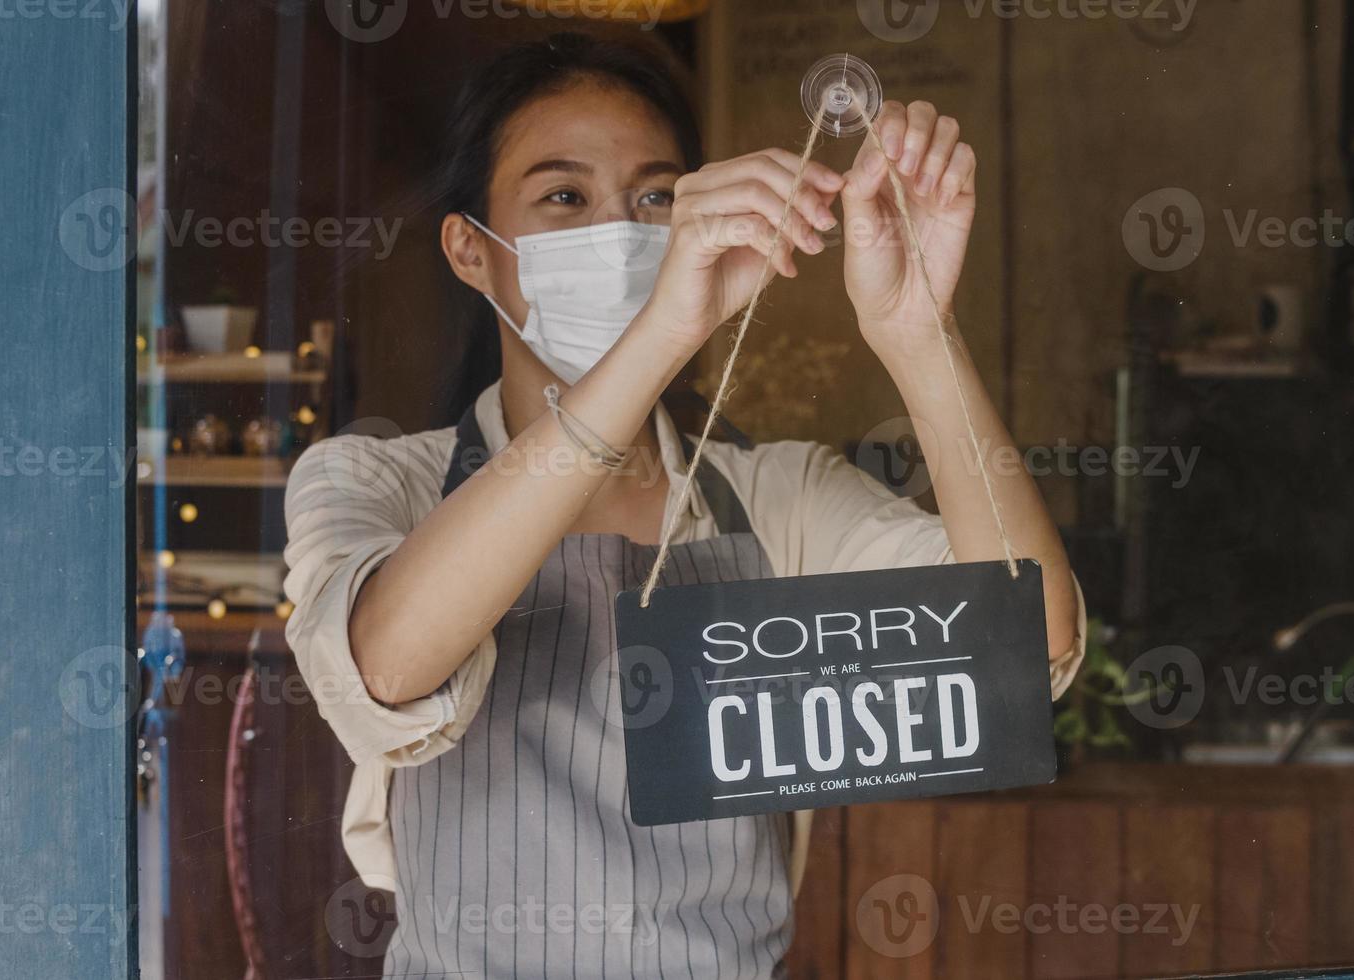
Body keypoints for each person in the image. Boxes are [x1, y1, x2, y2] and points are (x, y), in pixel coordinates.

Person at [283, 30, 1085, 980]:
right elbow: (385, 666)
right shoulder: (375, 481)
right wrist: (660, 334)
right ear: (470, 250)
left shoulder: (773, 495)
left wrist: (918, 331)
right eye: (564, 196)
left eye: (655, 197)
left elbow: (1022, 651)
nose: (617, 231)